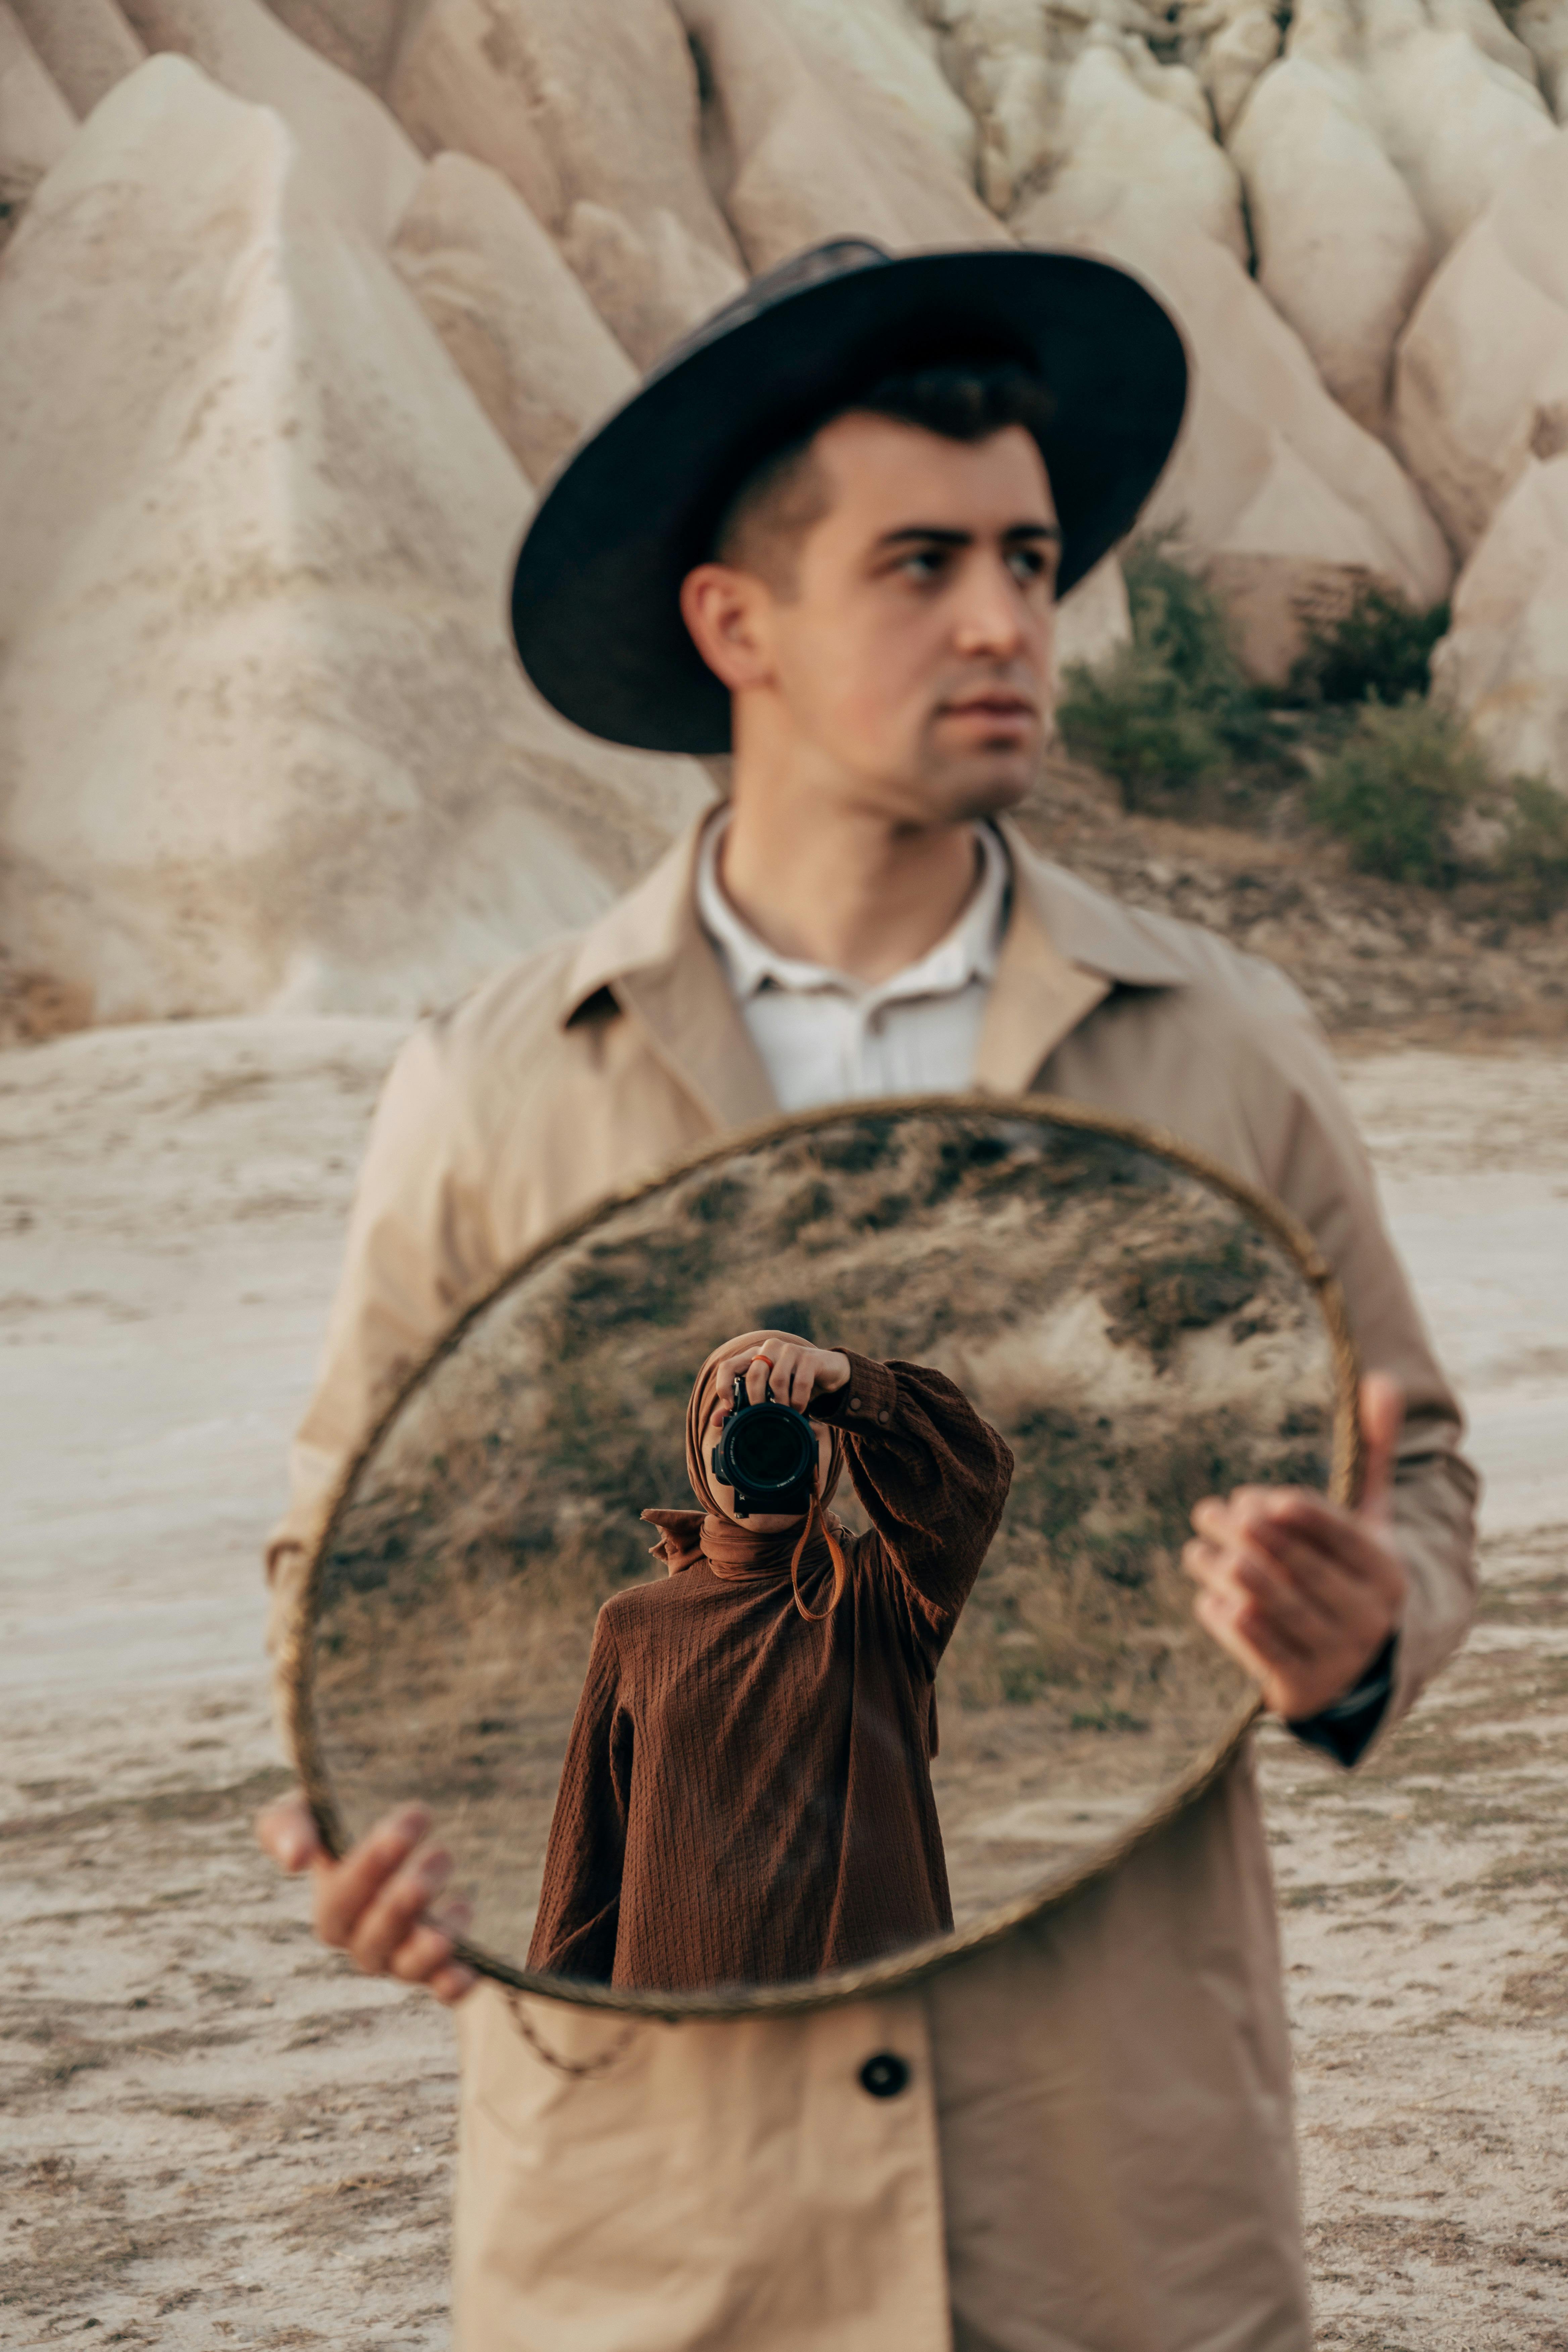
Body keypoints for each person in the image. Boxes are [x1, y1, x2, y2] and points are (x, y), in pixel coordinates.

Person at [256, 240, 1475, 2350]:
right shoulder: (490, 1085)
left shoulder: (1222, 1044)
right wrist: (367, 1845)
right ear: (735, 621)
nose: (1008, 616)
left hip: (1102, 2204)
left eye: (1026, 553)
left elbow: (1414, 1467)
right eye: (921, 562)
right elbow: (337, 1558)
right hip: (663, 2237)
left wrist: (1372, 1630)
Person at [528, 1330, 1013, 1989]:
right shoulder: (634, 1626)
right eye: (733, 1425)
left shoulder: (883, 1591)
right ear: (700, 1457)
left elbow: (974, 1475)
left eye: (797, 1427)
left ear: (837, 1449)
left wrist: (845, 1383)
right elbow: (586, 1865)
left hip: (860, 2013)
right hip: (683, 2023)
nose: (766, 1444)